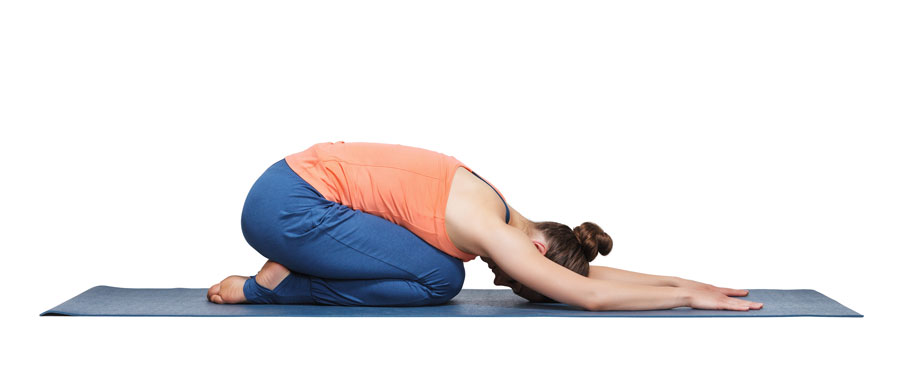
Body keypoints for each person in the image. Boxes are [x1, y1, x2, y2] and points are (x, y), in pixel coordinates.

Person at [207, 141, 763, 311]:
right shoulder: (492, 231)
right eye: (522, 277)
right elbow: (587, 295)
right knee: (442, 280)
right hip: (290, 208)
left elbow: (586, 275)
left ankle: (293, 265)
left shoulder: (497, 205)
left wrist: (678, 280)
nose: (502, 278)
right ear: (538, 251)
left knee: (441, 268)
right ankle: (272, 287)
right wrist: (686, 295)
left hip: (286, 189)